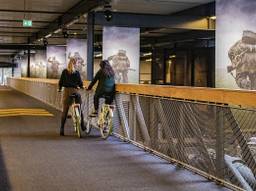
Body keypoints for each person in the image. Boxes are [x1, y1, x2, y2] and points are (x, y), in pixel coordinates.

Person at [58, 58, 85, 136]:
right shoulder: (77, 73)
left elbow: (61, 82)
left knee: (65, 111)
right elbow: (80, 83)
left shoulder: (64, 71)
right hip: (75, 91)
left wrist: (59, 89)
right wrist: (81, 86)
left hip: (67, 92)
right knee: (79, 107)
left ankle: (62, 129)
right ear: (75, 64)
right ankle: (82, 125)